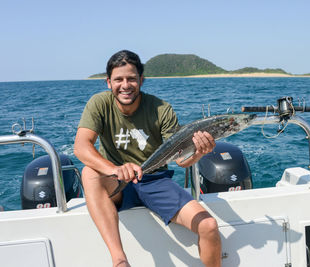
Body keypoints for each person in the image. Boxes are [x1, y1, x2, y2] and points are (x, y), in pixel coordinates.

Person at [74, 50, 221, 267]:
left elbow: (181, 160)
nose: (125, 85)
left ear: (141, 80)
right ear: (108, 82)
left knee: (208, 226)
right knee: (89, 172)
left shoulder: (161, 109)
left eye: (131, 78)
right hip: (118, 181)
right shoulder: (98, 104)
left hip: (155, 180)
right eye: (119, 79)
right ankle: (119, 260)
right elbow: (81, 147)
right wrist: (114, 169)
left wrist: (198, 152)